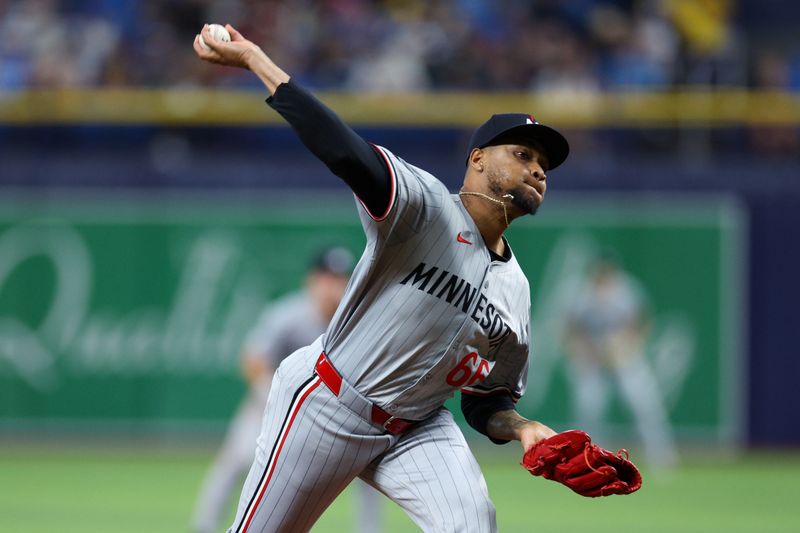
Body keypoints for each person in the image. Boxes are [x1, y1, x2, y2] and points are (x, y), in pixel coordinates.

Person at [194, 23, 570, 533]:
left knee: (474, 524)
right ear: (477, 159)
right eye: (523, 155)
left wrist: (524, 429)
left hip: (419, 426)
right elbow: (344, 150)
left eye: (544, 164)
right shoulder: (425, 207)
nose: (537, 170)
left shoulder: (516, 291)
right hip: (330, 403)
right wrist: (256, 60)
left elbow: (488, 403)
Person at [192, 247, 383, 533]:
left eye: (339, 278)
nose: (333, 285)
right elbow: (253, 359)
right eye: (326, 277)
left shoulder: (353, 320)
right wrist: (272, 396)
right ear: (311, 281)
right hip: (269, 406)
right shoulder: (288, 315)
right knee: (236, 461)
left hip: (331, 413)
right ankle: (203, 526)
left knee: (365, 464)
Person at [563, 251, 677, 468]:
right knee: (588, 410)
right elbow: (571, 330)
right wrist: (584, 352)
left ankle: (662, 459)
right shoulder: (582, 294)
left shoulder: (626, 291)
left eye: (607, 275)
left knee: (645, 407)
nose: (603, 279)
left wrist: (628, 347)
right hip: (594, 363)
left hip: (625, 361)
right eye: (599, 275)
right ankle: (590, 461)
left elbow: (642, 323)